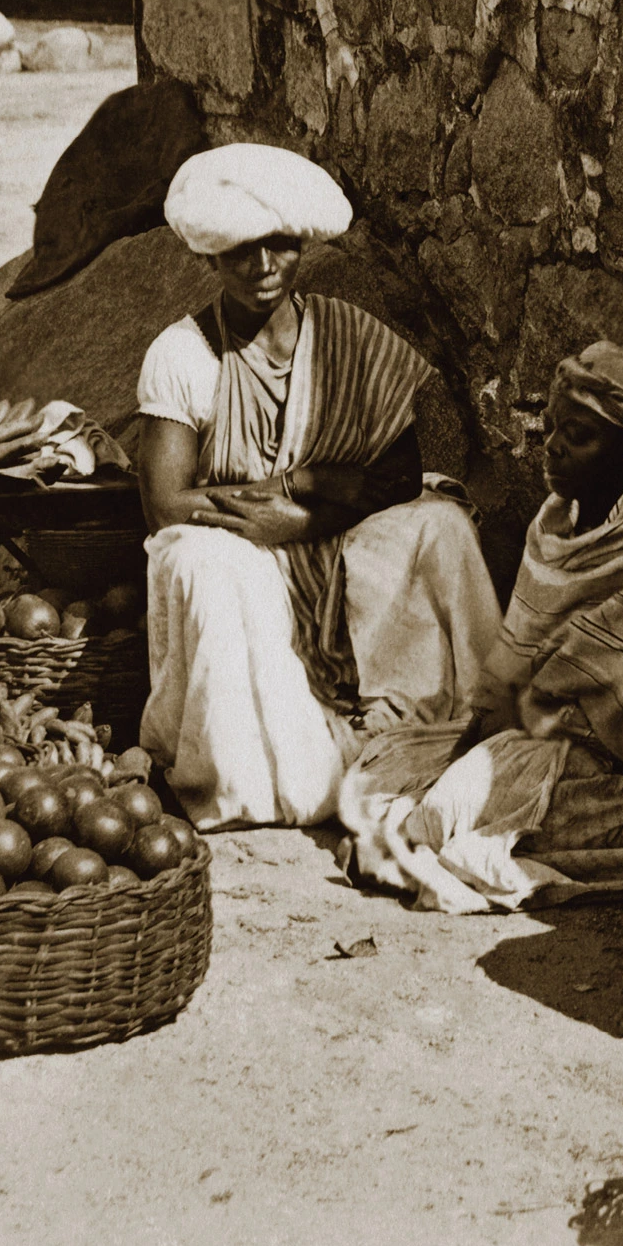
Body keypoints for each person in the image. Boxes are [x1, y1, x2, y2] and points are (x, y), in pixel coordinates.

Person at [134, 144, 502, 829]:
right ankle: (268, 774)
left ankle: (458, 721)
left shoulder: (344, 335)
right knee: (202, 560)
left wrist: (302, 502)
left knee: (440, 524)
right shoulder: (185, 354)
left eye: (278, 246)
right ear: (212, 257)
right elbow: (165, 506)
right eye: (241, 251)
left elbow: (397, 474)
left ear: (301, 244)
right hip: (243, 544)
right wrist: (275, 513)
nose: (262, 267)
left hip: (325, 527)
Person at [338, 342, 623, 911]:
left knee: (476, 797)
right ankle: (427, 831)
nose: (552, 448)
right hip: (538, 739)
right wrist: (486, 739)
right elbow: (513, 670)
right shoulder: (552, 526)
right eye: (551, 428)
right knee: (410, 770)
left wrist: (533, 731)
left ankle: (423, 841)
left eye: (579, 436)